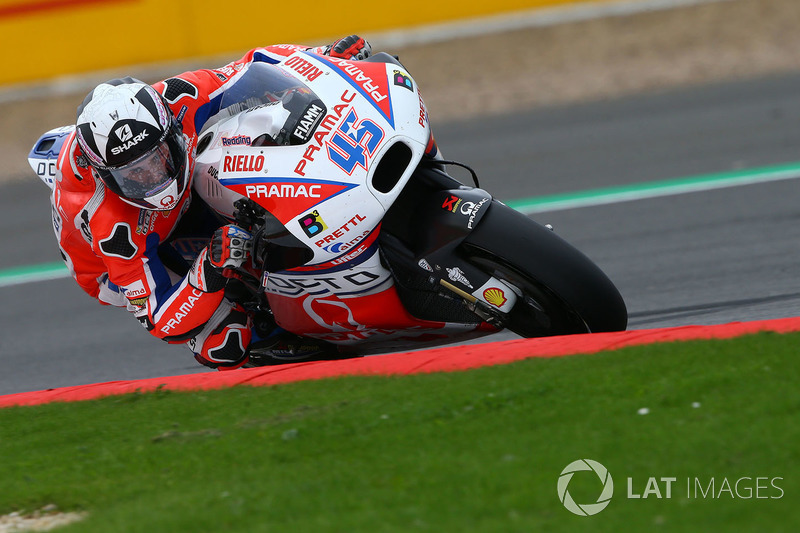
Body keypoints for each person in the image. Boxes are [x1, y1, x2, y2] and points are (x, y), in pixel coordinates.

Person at [51, 36, 373, 370]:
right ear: (106, 175)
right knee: (223, 343)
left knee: (241, 138)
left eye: (157, 160)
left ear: (170, 128)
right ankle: (265, 332)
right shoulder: (113, 229)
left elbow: (253, 67)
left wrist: (326, 55)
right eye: (133, 175)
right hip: (108, 267)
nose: (152, 181)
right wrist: (210, 267)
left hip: (186, 196)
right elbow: (162, 321)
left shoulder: (180, 96)